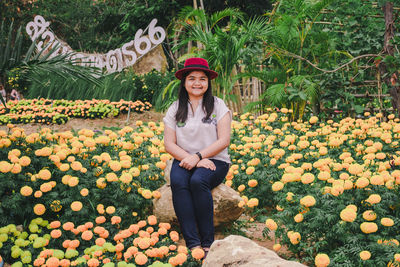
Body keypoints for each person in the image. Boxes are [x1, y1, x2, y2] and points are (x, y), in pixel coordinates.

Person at [163, 57, 231, 257]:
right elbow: (169, 143)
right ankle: (193, 243)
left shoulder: (218, 105)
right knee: (178, 181)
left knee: (198, 181)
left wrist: (200, 156)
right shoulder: (175, 108)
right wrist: (194, 158)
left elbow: (224, 140)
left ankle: (208, 243)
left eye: (202, 78)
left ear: (208, 82)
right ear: (184, 82)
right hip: (184, 158)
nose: (197, 83)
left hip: (216, 160)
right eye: (192, 78)